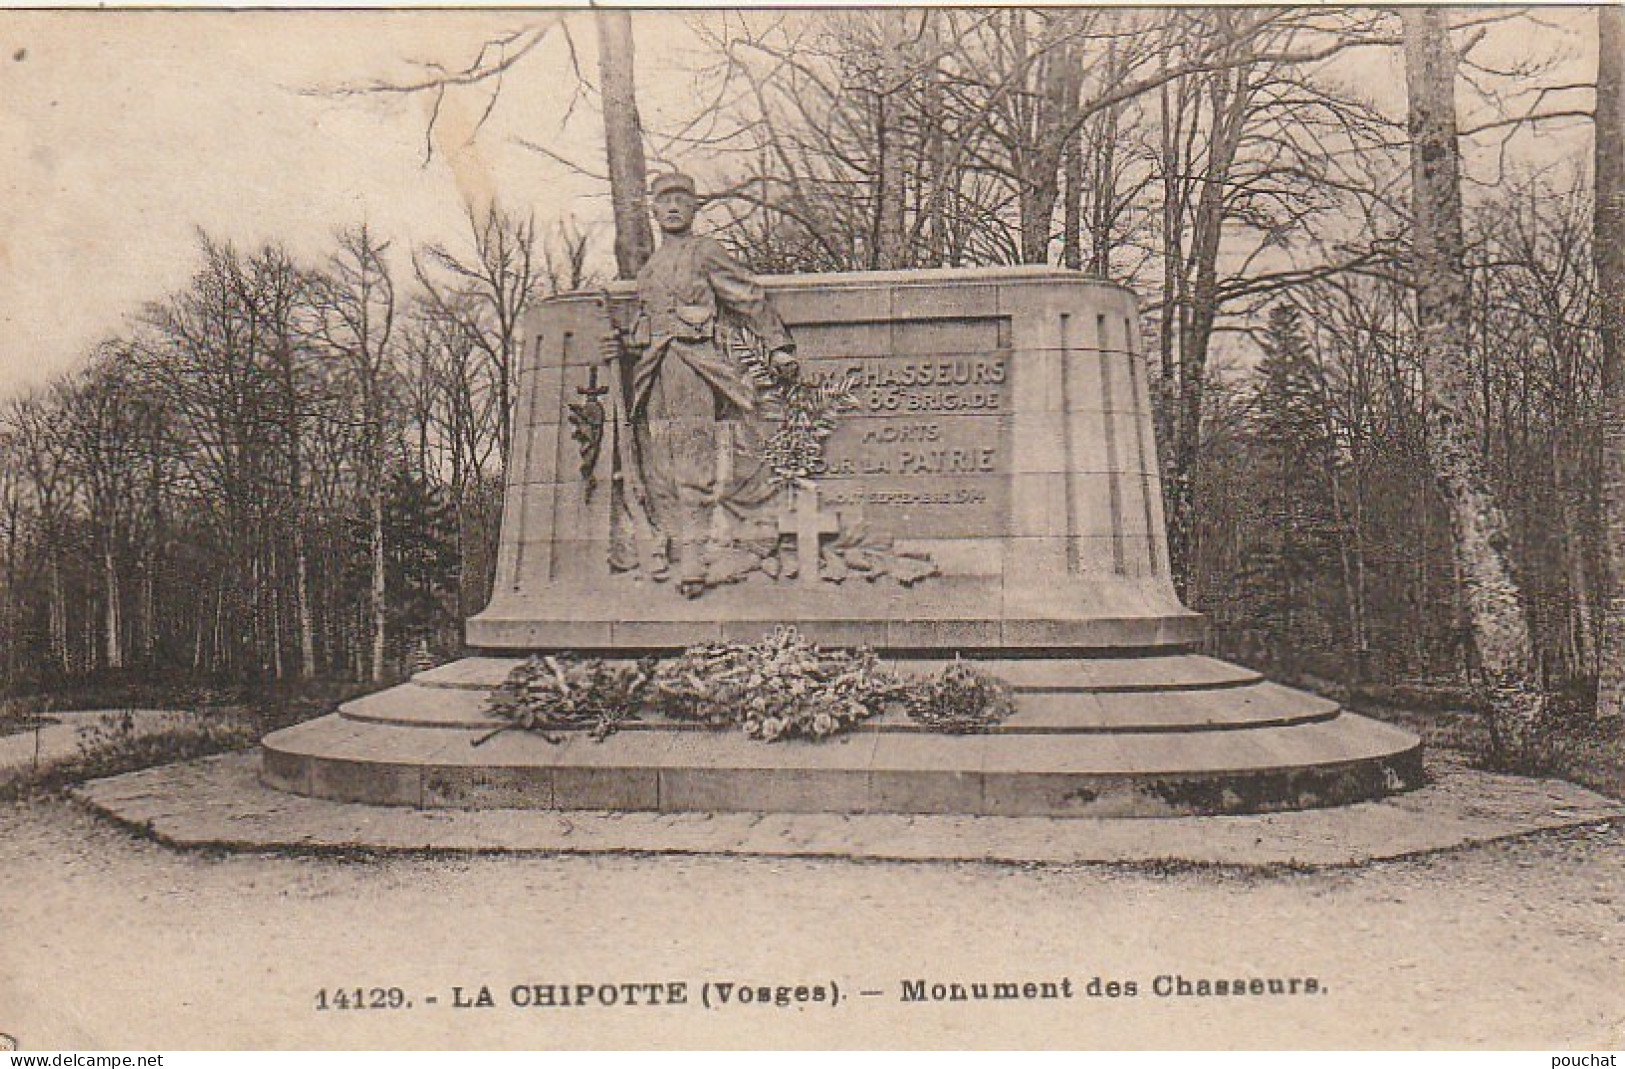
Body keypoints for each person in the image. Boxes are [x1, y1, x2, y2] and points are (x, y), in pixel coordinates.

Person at [603, 171, 798, 597]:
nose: (672, 207)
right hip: (653, 370)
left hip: (694, 363)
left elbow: (746, 296)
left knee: (694, 457)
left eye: (681, 200)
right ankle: (676, 549)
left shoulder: (705, 252)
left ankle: (694, 558)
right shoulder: (649, 270)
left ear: (695, 208)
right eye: (664, 200)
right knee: (663, 464)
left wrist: (778, 345)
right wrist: (620, 345)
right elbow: (644, 326)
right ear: (652, 211)